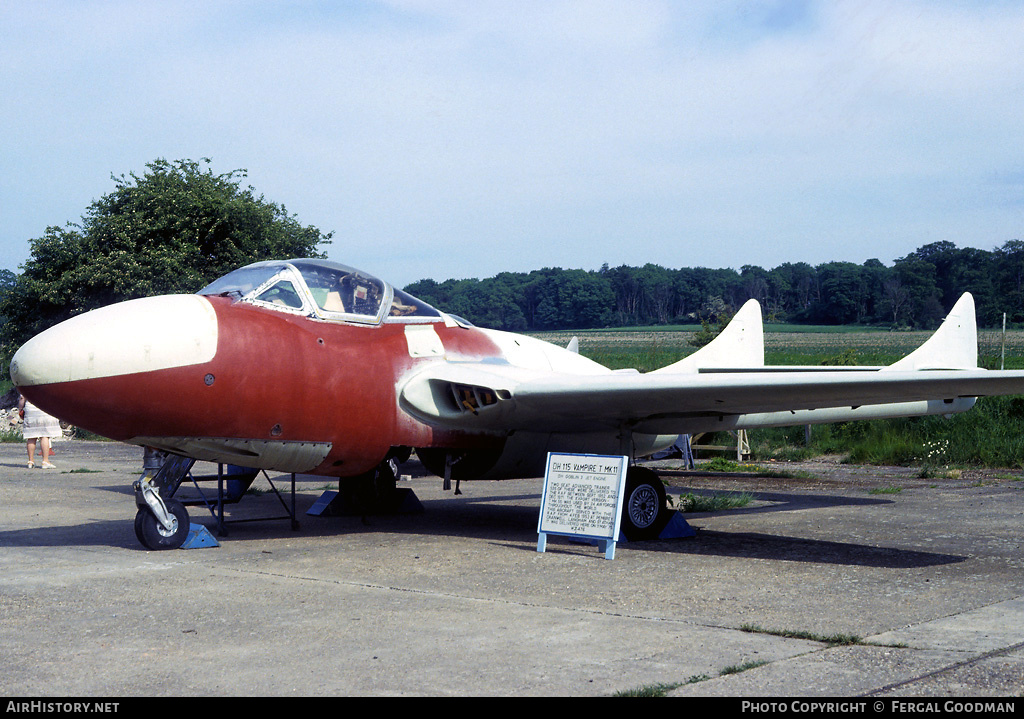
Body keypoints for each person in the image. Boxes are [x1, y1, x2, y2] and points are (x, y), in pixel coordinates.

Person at [17, 393, 61, 469]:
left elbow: (22, 397)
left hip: (31, 409)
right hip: (45, 407)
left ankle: (30, 461)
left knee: (31, 436)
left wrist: (20, 409)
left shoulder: (26, 382)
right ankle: (45, 461)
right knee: (45, 435)